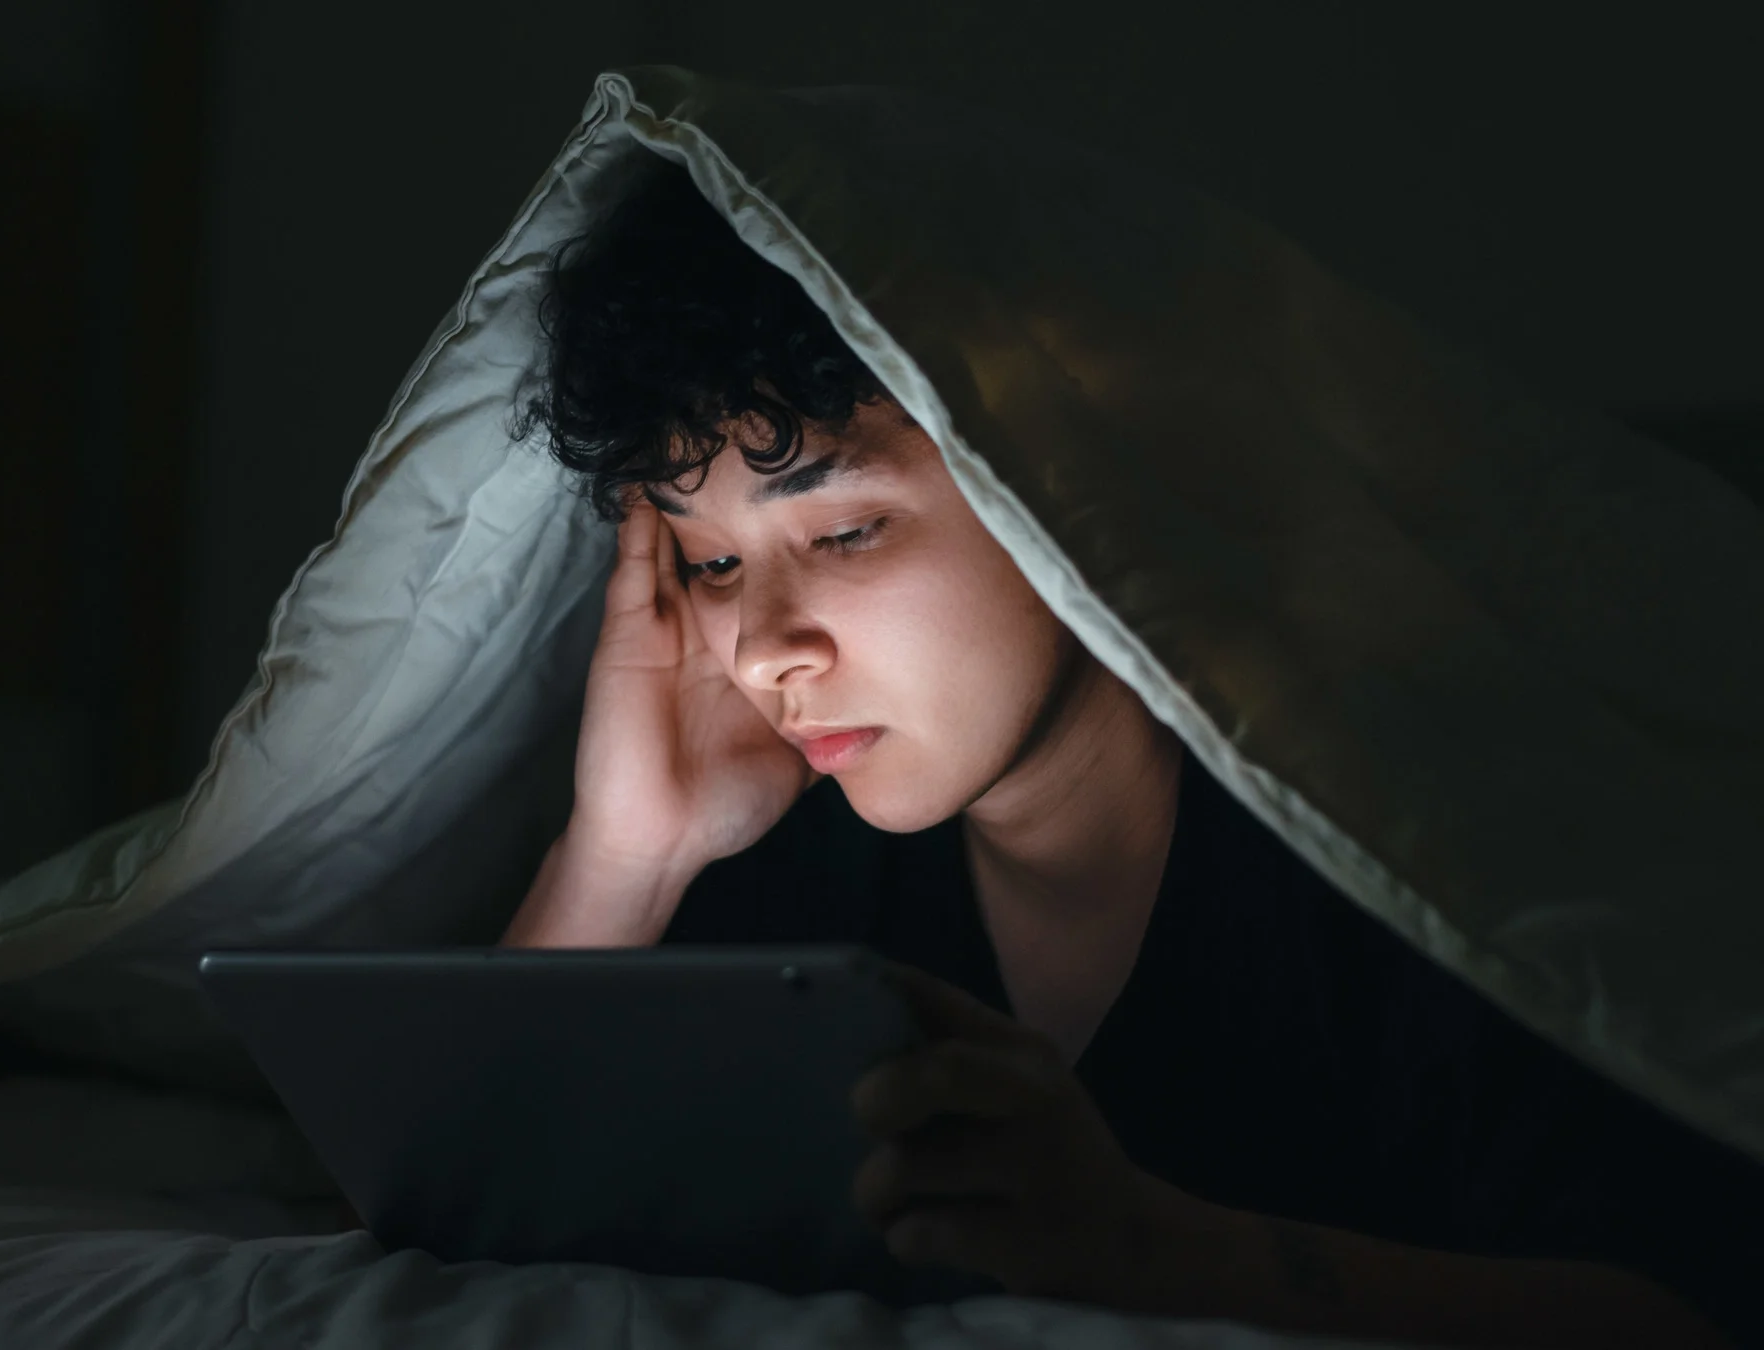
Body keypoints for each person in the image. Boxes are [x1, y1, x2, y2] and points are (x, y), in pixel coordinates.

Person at [500, 164, 1761, 1348]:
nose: (765, 650)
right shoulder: (794, 876)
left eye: (846, 532)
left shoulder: (1410, 854)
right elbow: (453, 1244)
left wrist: (1161, 1254)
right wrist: (623, 856)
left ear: (1061, 482)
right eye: (711, 562)